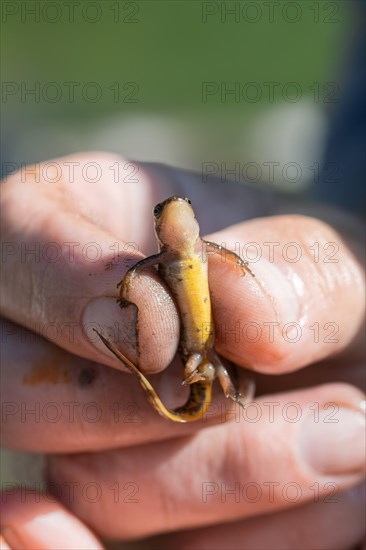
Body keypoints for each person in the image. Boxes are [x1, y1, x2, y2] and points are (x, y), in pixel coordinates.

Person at [0, 153, 364, 549]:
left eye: (182, 208)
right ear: (158, 228)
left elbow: (232, 258)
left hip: (206, 351)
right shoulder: (160, 260)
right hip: (190, 352)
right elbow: (136, 271)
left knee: (209, 370)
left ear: (193, 221)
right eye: (162, 211)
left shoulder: (207, 251)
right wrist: (124, 279)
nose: (175, 213)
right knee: (189, 366)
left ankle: (224, 397)